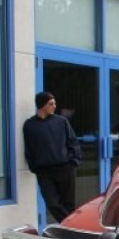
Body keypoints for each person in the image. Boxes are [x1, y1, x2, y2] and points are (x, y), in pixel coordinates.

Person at [22, 91, 80, 222]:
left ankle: (71, 233)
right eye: (51, 103)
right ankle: (73, 226)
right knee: (52, 203)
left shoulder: (61, 122)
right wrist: (33, 166)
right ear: (42, 105)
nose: (54, 106)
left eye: (54, 103)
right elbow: (29, 148)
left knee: (68, 204)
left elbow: (73, 142)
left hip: (65, 168)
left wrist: (73, 161)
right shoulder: (29, 125)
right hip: (44, 172)